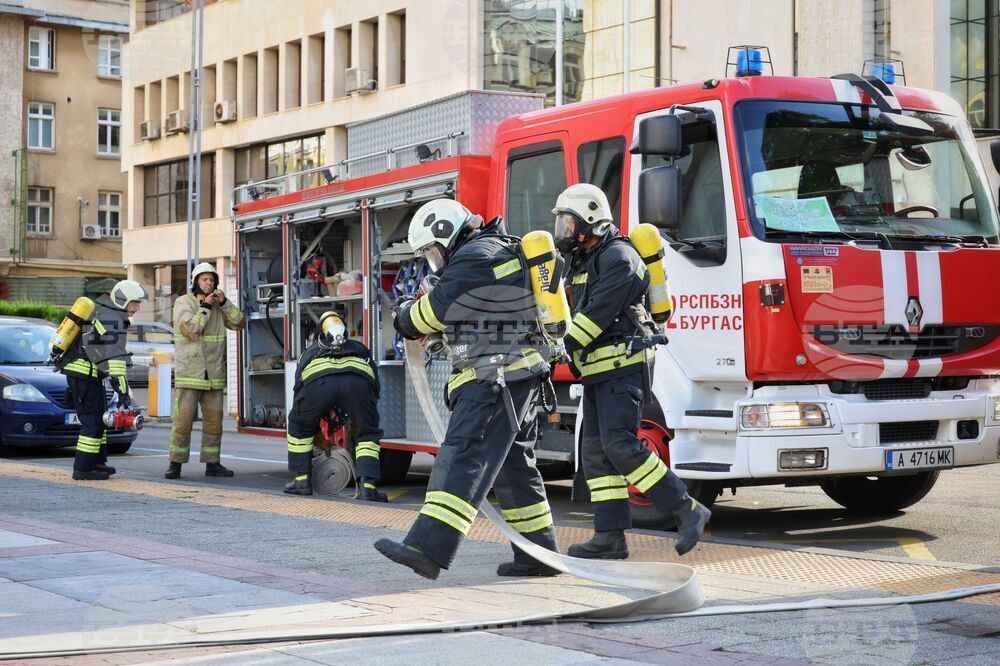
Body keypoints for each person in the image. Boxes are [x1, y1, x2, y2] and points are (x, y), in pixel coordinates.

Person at [374, 199, 560, 580]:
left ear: (445, 234)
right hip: (516, 376)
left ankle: (426, 549)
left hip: (495, 377)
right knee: (514, 471)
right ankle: (538, 555)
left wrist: (405, 312)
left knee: (462, 457)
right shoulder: (495, 248)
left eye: (429, 251)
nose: (431, 259)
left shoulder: (474, 256)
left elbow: (433, 313)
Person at [554, 183, 710, 558]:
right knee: (597, 454)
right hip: (597, 371)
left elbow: (595, 316)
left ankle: (687, 508)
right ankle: (610, 537)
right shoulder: (584, 259)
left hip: (622, 368)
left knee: (621, 445)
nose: (563, 231)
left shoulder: (619, 258)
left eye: (568, 223)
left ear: (591, 221)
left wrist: (561, 348)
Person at [284, 311, 387, 502]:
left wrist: (308, 423)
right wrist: (366, 414)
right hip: (358, 385)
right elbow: (373, 379)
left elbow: (299, 385)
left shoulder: (310, 351)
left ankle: (301, 481)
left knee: (299, 426)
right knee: (368, 434)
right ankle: (368, 488)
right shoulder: (359, 347)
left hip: (319, 385)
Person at [57, 280, 148, 480]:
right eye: (135, 303)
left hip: (85, 374)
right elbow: (115, 357)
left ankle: (97, 462)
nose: (137, 308)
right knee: (92, 423)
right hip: (85, 375)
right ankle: (83, 469)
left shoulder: (102, 311)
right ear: (123, 300)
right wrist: (123, 391)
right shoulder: (114, 319)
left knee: (98, 419)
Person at [166, 262, 246, 479]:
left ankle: (213, 464)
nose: (208, 283)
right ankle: (175, 464)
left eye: (211, 280)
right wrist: (206, 307)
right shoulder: (184, 302)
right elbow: (191, 329)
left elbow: (240, 323)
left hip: (214, 374)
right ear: (196, 282)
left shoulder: (220, 305)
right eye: (204, 279)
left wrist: (225, 303)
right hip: (190, 373)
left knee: (214, 423)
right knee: (183, 421)